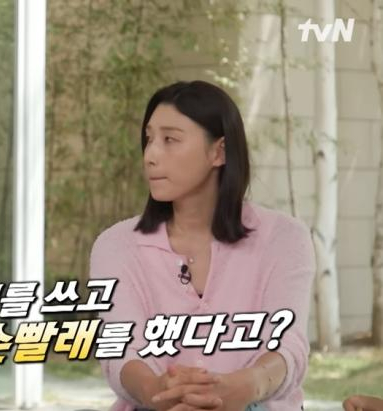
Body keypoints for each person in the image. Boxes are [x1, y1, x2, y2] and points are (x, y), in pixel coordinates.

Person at [91, 80, 315, 411]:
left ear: (218, 152)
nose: (150, 155)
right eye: (149, 139)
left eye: (170, 140)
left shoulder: (284, 238)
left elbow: (288, 346)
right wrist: (157, 391)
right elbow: (122, 351)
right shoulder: (115, 246)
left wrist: (244, 387)